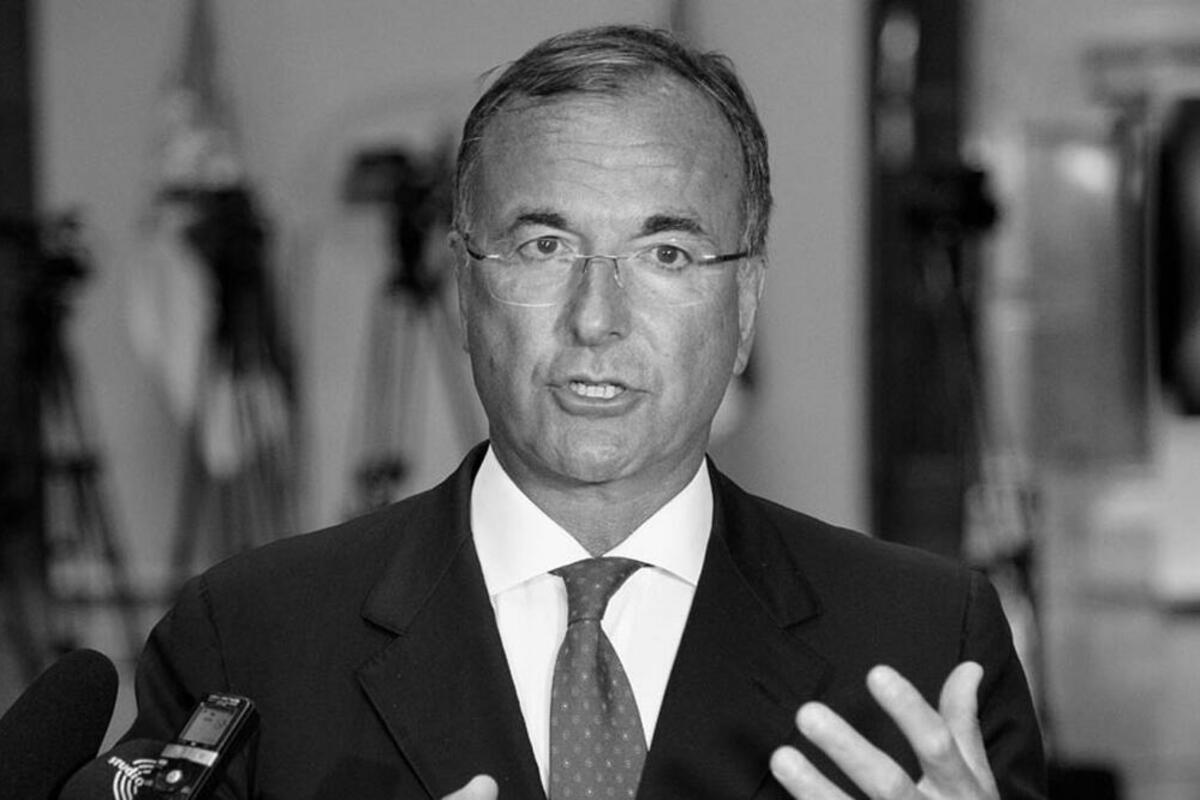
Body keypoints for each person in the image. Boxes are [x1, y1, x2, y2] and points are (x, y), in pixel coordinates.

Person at [121, 24, 1045, 800]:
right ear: (464, 286)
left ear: (745, 304)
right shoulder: (247, 641)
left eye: (667, 255)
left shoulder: (925, 644)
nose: (596, 318)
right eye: (544, 246)